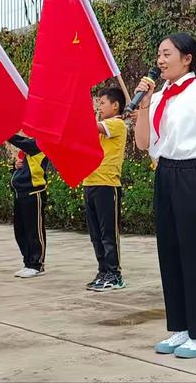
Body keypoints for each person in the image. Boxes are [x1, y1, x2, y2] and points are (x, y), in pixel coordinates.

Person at [133, 32, 196, 359]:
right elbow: (144, 144)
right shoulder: (160, 96)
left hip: (195, 173)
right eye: (159, 54)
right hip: (166, 173)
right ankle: (181, 328)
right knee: (171, 253)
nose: (160, 61)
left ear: (186, 58)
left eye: (167, 54)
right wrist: (144, 104)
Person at [83, 87, 128, 292]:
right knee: (95, 234)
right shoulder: (101, 126)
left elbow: (92, 127)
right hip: (90, 183)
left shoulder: (117, 124)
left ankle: (114, 274)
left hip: (107, 185)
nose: (98, 107)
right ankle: (103, 271)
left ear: (115, 105)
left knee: (108, 234)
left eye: (102, 103)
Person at [8, 134, 49, 278]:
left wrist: (4, 130)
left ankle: (37, 264)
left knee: (34, 231)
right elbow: (24, 167)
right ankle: (28, 262)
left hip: (34, 192)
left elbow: (21, 141)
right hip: (20, 193)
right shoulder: (28, 147)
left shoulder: (40, 143)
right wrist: (15, 165)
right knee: (21, 231)